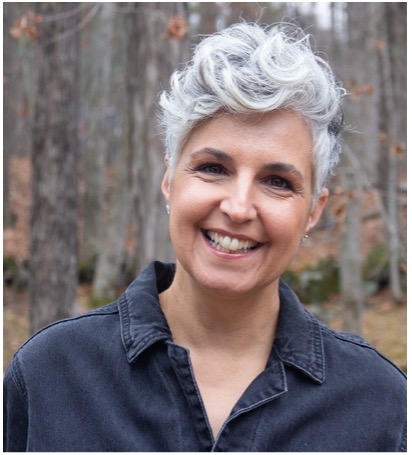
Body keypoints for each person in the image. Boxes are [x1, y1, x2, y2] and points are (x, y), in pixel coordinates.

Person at [4, 22, 406, 452]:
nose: (238, 207)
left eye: (277, 182)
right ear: (169, 181)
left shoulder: (379, 403)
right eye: (214, 168)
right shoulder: (51, 375)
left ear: (313, 211)